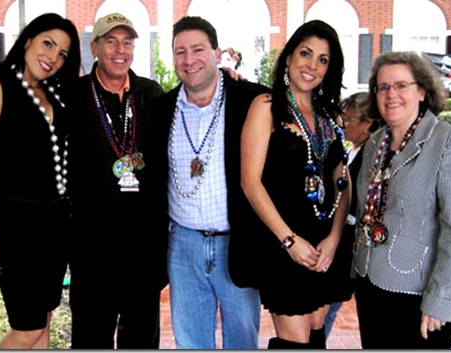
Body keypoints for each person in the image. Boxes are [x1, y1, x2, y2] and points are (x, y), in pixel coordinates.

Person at [143, 16, 270, 349]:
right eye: (180, 52)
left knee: (242, 340)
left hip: (237, 244)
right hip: (182, 246)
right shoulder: (160, 109)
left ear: (216, 52)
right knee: (190, 342)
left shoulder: (250, 100)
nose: (189, 60)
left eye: (198, 49)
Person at [0, 13, 80, 349]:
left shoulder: (52, 94)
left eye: (62, 53)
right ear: (27, 39)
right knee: (27, 329)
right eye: (48, 43)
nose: (52, 56)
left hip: (54, 225)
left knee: (43, 324)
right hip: (15, 228)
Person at [239, 19, 351, 349]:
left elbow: (343, 182)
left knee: (316, 333)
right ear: (288, 57)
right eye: (305, 53)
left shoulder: (330, 115)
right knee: (295, 341)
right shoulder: (266, 107)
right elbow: (250, 182)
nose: (312, 65)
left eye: (323, 59)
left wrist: (334, 237)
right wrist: (289, 241)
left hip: (325, 245)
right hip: (284, 243)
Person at [66, 13, 167, 349]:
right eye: (111, 41)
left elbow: (195, 103)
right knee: (91, 337)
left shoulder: (151, 94)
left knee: (141, 339)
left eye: (127, 42)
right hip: (91, 248)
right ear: (94, 47)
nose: (120, 49)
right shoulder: (73, 96)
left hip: (143, 249)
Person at [352, 51, 451, 349]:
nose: (391, 95)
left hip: (418, 296)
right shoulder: (375, 143)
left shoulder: (450, 144)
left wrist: (441, 300)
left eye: (401, 85)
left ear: (422, 91)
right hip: (370, 283)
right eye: (383, 87)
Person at [322, 92, 381, 339]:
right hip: (344, 245)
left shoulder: (371, 153)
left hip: (351, 248)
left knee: (326, 311)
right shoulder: (358, 150)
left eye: (348, 121)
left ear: (367, 123)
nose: (342, 126)